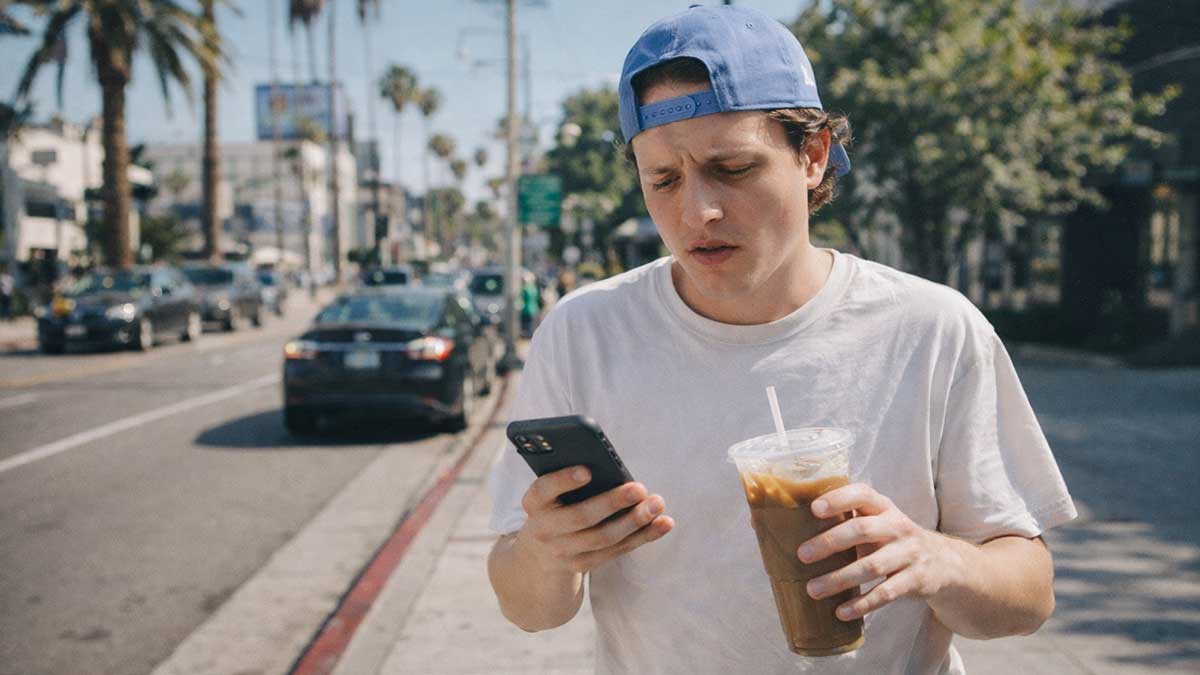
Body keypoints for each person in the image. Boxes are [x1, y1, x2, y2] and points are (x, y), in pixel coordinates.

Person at [486, 5, 1076, 674]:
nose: (697, 212)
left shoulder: (933, 328)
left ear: (813, 156)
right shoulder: (583, 332)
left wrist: (936, 559)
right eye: (664, 180)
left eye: (732, 167)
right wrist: (545, 551)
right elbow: (528, 606)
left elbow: (1029, 594)